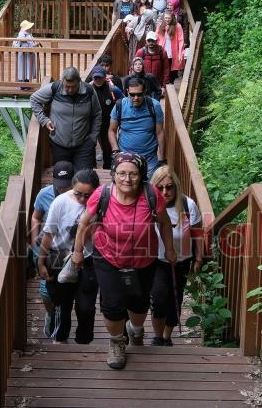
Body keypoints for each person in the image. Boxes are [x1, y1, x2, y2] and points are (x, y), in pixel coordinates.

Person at [71, 152, 177, 369]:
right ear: (113, 174)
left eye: (133, 174)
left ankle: (135, 330)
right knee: (112, 304)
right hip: (107, 256)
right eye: (121, 173)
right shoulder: (102, 195)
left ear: (142, 175)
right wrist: (78, 252)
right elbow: (83, 223)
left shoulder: (151, 194)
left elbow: (164, 223)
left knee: (139, 304)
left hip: (143, 258)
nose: (127, 179)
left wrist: (170, 249)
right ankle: (117, 342)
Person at [38, 169, 101, 343]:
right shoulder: (61, 202)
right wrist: (41, 261)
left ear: (96, 191)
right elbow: (49, 233)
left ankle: (84, 340)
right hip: (60, 257)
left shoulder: (100, 205)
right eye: (78, 194)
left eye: (87, 195)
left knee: (86, 306)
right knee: (62, 303)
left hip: (88, 260)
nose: (82, 199)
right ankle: (60, 338)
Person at [149, 165, 203, 346]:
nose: (165, 191)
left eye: (169, 186)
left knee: (175, 298)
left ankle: (166, 336)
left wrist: (198, 258)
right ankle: (157, 337)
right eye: (160, 187)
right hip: (156, 261)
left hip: (181, 261)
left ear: (176, 186)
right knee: (158, 298)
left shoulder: (188, 204)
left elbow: (197, 233)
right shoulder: (148, 205)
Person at [30, 161, 74, 337]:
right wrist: (34, 240)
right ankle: (50, 313)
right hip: (48, 250)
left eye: (66, 185)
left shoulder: (80, 195)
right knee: (46, 292)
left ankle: (62, 323)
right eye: (59, 185)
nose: (62, 189)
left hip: (70, 251)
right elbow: (35, 217)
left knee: (65, 292)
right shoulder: (44, 194)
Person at [30, 67, 102, 171]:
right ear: (62, 81)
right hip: (59, 144)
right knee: (64, 181)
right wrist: (44, 120)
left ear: (79, 82)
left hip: (84, 144)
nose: (70, 90)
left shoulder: (89, 91)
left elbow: (97, 114)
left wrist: (93, 138)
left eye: (74, 86)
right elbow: (34, 99)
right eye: (67, 86)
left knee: (84, 179)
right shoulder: (55, 88)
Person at [109, 78, 165, 177]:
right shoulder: (119, 106)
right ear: (127, 92)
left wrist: (162, 159)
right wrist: (115, 150)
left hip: (149, 158)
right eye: (132, 94)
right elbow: (112, 131)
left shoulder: (154, 106)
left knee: (148, 188)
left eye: (139, 94)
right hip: (125, 157)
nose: (135, 98)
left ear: (144, 92)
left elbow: (160, 132)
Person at [90, 66, 124, 170]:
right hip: (91, 123)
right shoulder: (88, 88)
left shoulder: (112, 89)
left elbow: (123, 101)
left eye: (100, 77)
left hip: (108, 123)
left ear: (105, 77)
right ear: (92, 77)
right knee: (90, 146)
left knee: (107, 148)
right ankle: (92, 167)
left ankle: (107, 167)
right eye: (95, 78)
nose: (98, 80)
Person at [156, 11, 185, 83]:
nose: (167, 20)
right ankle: (164, 85)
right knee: (163, 68)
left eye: (169, 18)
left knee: (172, 70)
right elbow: (156, 37)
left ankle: (171, 84)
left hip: (173, 51)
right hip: (162, 50)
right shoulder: (160, 25)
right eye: (165, 18)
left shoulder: (177, 26)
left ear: (172, 18)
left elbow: (181, 40)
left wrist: (180, 53)